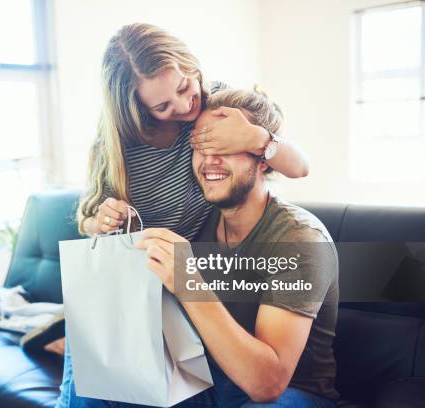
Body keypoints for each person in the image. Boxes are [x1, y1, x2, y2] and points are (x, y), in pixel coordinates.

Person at [55, 22, 312, 407]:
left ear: (190, 65)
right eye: (162, 107)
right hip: (131, 284)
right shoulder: (115, 144)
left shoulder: (215, 105)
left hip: (184, 286)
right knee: (88, 382)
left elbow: (300, 167)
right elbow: (88, 216)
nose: (183, 108)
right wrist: (100, 220)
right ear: (137, 110)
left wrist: (257, 140)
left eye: (182, 88)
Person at [135, 88, 339, 407]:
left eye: (225, 146)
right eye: (201, 146)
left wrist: (189, 283)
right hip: (208, 379)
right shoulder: (197, 219)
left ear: (264, 161)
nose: (210, 160)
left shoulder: (299, 238)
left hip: (287, 393)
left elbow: (266, 384)